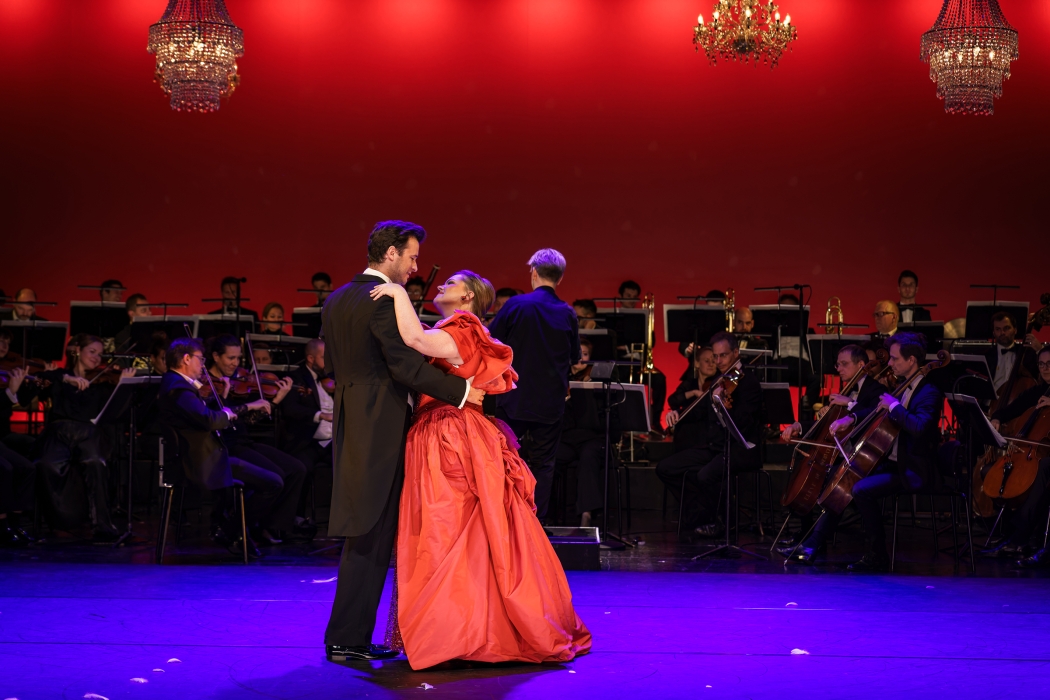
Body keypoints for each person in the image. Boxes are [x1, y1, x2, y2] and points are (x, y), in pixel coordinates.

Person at [370, 268, 591, 669]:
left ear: (469, 296)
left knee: (447, 532)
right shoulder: (453, 329)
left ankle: (457, 634)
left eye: (451, 283)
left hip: (449, 436)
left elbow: (415, 340)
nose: (441, 286)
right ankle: (460, 629)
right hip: (444, 432)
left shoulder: (464, 328)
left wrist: (397, 291)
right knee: (458, 534)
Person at [321, 220, 478, 663]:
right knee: (371, 533)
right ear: (390, 253)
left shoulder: (336, 299)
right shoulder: (383, 299)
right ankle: (347, 640)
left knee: (364, 530)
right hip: (380, 426)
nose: (414, 268)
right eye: (411, 257)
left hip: (352, 421)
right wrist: (464, 391)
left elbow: (334, 364)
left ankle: (347, 636)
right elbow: (405, 367)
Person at [785, 332, 943, 571]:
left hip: (911, 468)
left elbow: (920, 427)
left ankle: (877, 554)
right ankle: (812, 544)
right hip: (890, 462)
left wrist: (894, 406)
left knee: (860, 489)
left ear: (911, 360)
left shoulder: (929, 391)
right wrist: (855, 417)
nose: (890, 363)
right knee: (842, 480)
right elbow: (875, 416)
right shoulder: (902, 387)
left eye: (895, 358)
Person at [158, 337, 284, 558]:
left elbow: (201, 415)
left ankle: (234, 530)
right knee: (273, 483)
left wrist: (223, 401)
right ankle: (231, 531)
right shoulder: (179, 389)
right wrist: (239, 409)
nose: (203, 365)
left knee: (265, 479)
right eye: (200, 359)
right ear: (186, 359)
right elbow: (209, 420)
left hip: (202, 458)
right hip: (203, 463)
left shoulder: (176, 384)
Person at [488, 248, 580, 520]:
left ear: (534, 272)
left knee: (502, 458)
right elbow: (575, 357)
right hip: (550, 403)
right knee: (543, 464)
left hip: (513, 398)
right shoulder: (568, 313)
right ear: (560, 278)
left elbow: (491, 341)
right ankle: (534, 524)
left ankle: (502, 521)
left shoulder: (516, 305)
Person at [655, 332, 762, 536]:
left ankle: (724, 523)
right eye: (715, 356)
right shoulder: (719, 381)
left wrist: (726, 407)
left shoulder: (748, 383)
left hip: (741, 449)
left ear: (736, 353)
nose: (718, 361)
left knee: (705, 475)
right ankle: (702, 512)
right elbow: (699, 411)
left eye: (723, 355)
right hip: (715, 447)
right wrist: (677, 413)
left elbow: (745, 424)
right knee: (665, 468)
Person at [206, 334, 306, 544]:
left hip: (244, 442)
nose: (235, 364)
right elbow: (215, 420)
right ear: (215, 356)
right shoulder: (206, 386)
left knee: (296, 468)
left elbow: (250, 421)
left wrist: (276, 399)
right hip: (226, 446)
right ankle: (237, 526)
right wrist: (229, 399)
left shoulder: (237, 381)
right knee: (277, 475)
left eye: (238, 358)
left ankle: (270, 526)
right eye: (230, 358)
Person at [34, 334, 135, 543]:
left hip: (88, 432)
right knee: (45, 464)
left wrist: (123, 386)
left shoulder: (103, 382)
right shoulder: (60, 376)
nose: (97, 358)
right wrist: (67, 378)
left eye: (100, 354)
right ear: (78, 351)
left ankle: (102, 525)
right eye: (92, 352)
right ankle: (58, 520)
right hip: (59, 431)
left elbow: (116, 413)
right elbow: (39, 378)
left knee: (96, 463)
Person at [983, 346, 1050, 565]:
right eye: (1041, 364)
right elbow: (1012, 408)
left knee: (1042, 470)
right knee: (993, 472)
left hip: (1045, 459)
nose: (1045, 369)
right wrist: (997, 418)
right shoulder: (1038, 391)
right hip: (1033, 455)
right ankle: (1013, 534)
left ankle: (1020, 537)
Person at [279, 338, 334, 533]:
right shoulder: (296, 378)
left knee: (351, 466)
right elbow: (290, 409)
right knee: (301, 469)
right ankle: (298, 518)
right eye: (324, 358)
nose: (328, 363)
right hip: (308, 442)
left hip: (332, 441)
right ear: (311, 358)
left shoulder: (333, 379)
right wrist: (321, 415)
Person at [987, 311, 1038, 400]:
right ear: (993, 333)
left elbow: (1042, 376)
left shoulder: (1027, 353)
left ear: (1015, 330)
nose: (1002, 332)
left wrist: (1039, 350)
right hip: (992, 404)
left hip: (1019, 403)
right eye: (998, 329)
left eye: (1006, 328)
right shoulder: (986, 356)